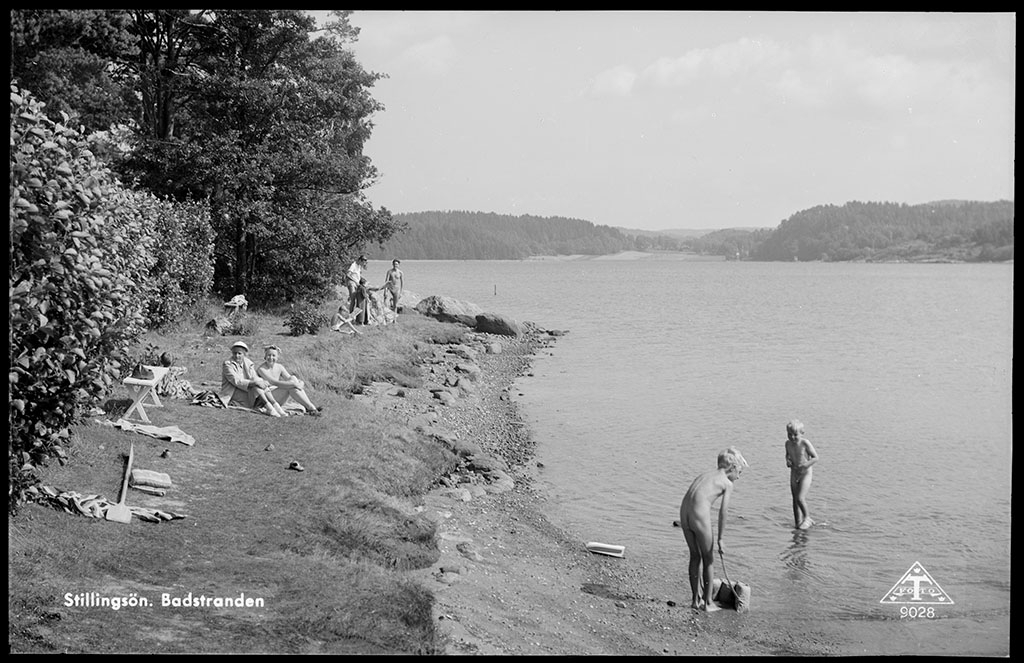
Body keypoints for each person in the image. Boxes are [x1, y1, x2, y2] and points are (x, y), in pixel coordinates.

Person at [679, 446, 748, 612]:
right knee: (708, 558)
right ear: (733, 468)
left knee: (695, 556)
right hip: (698, 514)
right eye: (740, 471)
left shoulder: (705, 475)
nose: (739, 476)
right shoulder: (727, 483)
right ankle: (708, 602)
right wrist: (721, 539)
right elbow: (723, 513)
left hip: (684, 511)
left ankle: (695, 600)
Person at [219, 341, 284, 417]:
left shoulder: (248, 363)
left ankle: (274, 405)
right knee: (255, 385)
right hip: (234, 393)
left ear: (244, 354)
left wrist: (261, 382)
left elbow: (254, 376)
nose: (237, 356)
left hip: (247, 390)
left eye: (239, 353)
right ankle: (270, 407)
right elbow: (236, 381)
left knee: (258, 383)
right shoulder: (228, 364)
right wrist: (255, 383)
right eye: (235, 353)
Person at [257, 345, 322, 416]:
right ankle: (311, 408)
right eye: (269, 355)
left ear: (277, 357)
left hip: (278, 395)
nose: (271, 358)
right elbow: (274, 382)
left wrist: (301, 383)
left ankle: (310, 407)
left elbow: (290, 378)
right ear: (265, 357)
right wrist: (294, 384)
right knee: (291, 386)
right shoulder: (261, 369)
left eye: (273, 355)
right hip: (268, 397)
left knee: (293, 378)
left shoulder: (279, 367)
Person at [784, 419, 819, 530]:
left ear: (802, 433)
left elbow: (815, 458)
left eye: (795, 435)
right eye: (790, 434)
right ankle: (797, 523)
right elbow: (787, 456)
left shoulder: (805, 443)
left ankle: (807, 518)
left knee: (800, 497)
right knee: (794, 499)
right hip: (794, 472)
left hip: (805, 473)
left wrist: (805, 466)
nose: (792, 437)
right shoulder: (787, 443)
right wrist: (788, 461)